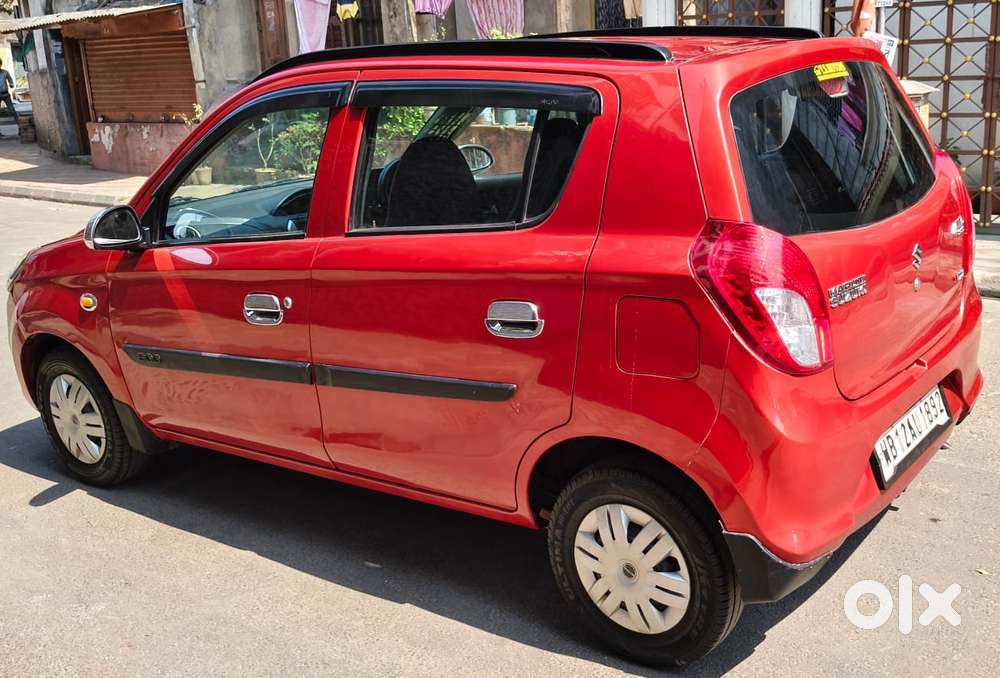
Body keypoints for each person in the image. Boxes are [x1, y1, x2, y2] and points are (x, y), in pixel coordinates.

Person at [0, 58, 19, 137]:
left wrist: (11, 84)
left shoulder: (5, 72)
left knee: (12, 111)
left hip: (5, 94)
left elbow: (10, 79)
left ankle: (21, 128)